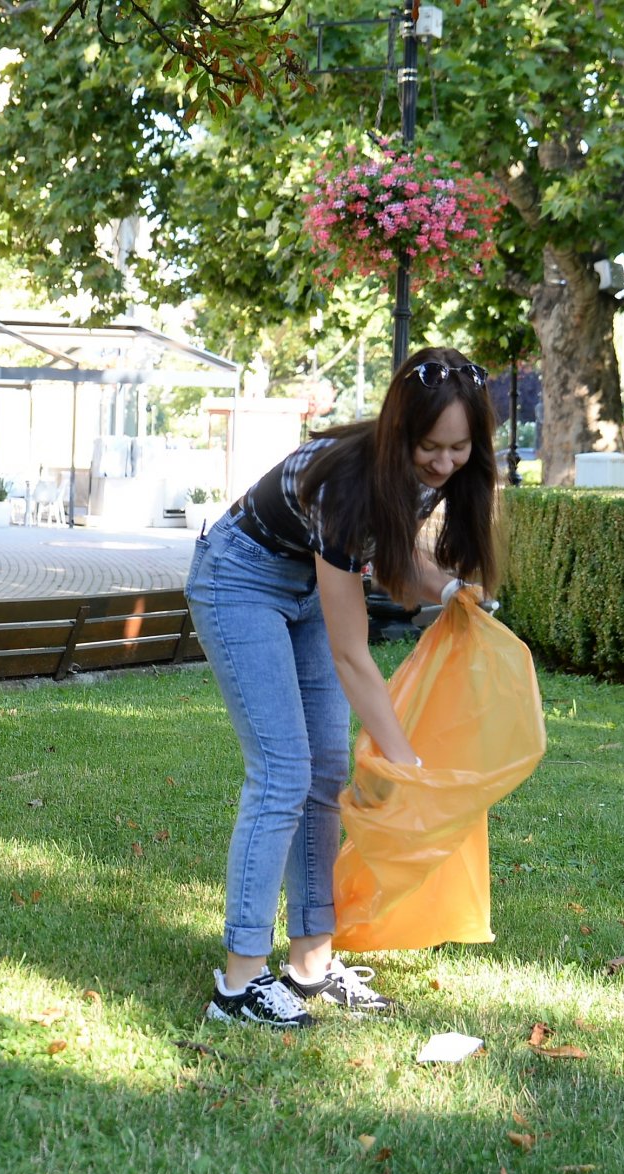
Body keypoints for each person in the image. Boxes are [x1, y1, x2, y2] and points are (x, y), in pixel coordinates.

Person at [185, 347, 499, 1029]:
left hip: (301, 584)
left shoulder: (421, 475)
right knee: (282, 773)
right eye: (429, 448)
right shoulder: (350, 484)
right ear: (399, 434)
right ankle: (237, 986)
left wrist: (447, 588)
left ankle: (310, 965)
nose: (444, 465)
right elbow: (352, 653)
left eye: (459, 448)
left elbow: (385, 555)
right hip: (240, 580)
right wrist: (403, 761)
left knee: (325, 773)